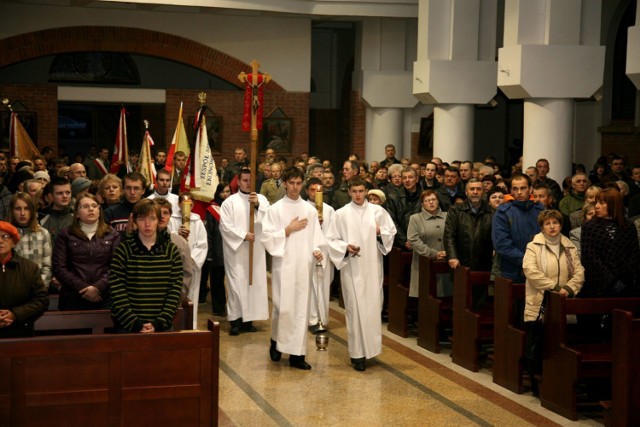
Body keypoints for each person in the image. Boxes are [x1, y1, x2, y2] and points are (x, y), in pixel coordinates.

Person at [326, 178, 396, 371]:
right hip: (352, 268)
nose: (358, 194)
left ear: (366, 191)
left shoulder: (378, 212)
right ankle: (357, 354)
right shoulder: (341, 214)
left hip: (372, 267)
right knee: (354, 310)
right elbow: (331, 239)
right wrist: (345, 247)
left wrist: (380, 230)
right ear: (349, 192)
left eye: (361, 190)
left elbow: (391, 233)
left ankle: (371, 350)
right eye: (354, 191)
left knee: (372, 308)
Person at [261, 168, 327, 370]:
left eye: (299, 183)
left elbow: (317, 237)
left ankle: (297, 355)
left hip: (303, 265)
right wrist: (287, 230)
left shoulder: (309, 210)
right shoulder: (275, 209)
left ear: (303, 185)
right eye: (292, 183)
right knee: (284, 308)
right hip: (284, 265)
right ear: (285, 183)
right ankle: (276, 342)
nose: (295, 187)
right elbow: (267, 237)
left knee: (300, 309)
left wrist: (317, 250)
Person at [522, 209, 584, 396]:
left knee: (562, 343)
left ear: (561, 225)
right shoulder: (534, 246)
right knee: (540, 343)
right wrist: (555, 288)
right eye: (547, 223)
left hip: (564, 301)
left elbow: (579, 272)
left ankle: (561, 380)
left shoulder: (569, 247)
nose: (552, 227)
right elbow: (530, 271)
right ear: (542, 227)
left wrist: (569, 289)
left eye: (555, 223)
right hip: (541, 301)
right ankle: (537, 381)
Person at [109, 199, 183, 333]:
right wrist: (134, 323)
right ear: (135, 221)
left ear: (159, 221)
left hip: (162, 326)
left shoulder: (171, 251)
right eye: (142, 219)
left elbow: (174, 290)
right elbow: (117, 290)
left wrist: (160, 322)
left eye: (152, 218)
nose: (147, 224)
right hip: (128, 327)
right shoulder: (124, 250)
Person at [220, 169, 270, 336]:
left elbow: (269, 220)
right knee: (236, 285)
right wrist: (242, 235)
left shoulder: (261, 199)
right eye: (245, 180)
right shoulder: (230, 202)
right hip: (237, 251)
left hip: (256, 251)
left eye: (251, 180)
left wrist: (257, 206)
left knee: (253, 284)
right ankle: (235, 321)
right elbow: (225, 226)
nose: (248, 183)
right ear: (239, 181)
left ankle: (248, 321)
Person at [53, 194, 120, 310]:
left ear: (99, 211)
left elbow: (117, 267)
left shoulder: (112, 234)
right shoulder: (66, 234)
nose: (91, 209)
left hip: (104, 297)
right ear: (77, 213)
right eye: (85, 206)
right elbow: (59, 267)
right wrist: (84, 288)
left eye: (94, 206)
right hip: (73, 297)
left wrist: (97, 288)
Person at [580, 187, 640, 297]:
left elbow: (634, 255)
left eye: (601, 203)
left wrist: (623, 280)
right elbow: (590, 258)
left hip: (625, 285)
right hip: (598, 285)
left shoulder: (628, 227)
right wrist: (611, 280)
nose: (596, 206)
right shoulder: (589, 227)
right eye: (596, 202)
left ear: (613, 204)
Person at [0, 221, 48, 338]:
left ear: (13, 241)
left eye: (5, 237)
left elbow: (41, 300)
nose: (0, 241)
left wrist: (14, 314)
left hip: (21, 331)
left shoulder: (30, 268)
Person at [492, 173, 543, 283]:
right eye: (515, 189)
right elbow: (502, 244)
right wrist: (527, 261)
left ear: (530, 189)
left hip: (539, 269)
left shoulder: (540, 211)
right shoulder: (503, 212)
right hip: (510, 271)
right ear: (511, 190)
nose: (519, 192)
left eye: (523, 188)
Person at [168, 193, 207, 328]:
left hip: (192, 265)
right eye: (184, 204)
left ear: (193, 205)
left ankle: (191, 325)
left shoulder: (197, 221)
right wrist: (176, 234)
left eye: (189, 205)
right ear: (178, 204)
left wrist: (190, 260)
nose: (187, 207)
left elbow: (202, 244)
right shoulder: (171, 219)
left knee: (192, 295)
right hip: (175, 265)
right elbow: (167, 237)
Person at [304, 177, 335, 332]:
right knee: (310, 287)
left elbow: (333, 233)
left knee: (322, 287)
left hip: (324, 253)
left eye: (319, 190)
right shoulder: (303, 208)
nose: (316, 193)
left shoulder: (329, 210)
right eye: (312, 190)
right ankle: (311, 319)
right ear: (307, 191)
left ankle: (322, 318)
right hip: (308, 252)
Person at [407, 190, 448, 298]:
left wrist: (447, 252)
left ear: (438, 201)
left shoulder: (448, 216)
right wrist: (434, 253)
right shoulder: (415, 218)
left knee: (447, 296)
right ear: (422, 204)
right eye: (427, 200)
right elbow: (413, 240)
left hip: (446, 261)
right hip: (424, 262)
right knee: (426, 296)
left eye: (433, 199)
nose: (431, 203)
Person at [10, 192, 52, 290]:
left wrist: (40, 288)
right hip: (11, 290)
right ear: (12, 211)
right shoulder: (5, 235)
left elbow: (47, 267)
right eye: (18, 209)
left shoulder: (43, 234)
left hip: (37, 290)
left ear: (32, 211)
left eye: (27, 208)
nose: (23, 213)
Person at [205, 183, 230, 316]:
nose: (225, 195)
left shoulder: (232, 207)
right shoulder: (212, 209)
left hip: (231, 249)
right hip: (217, 250)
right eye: (223, 192)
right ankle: (219, 308)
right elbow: (209, 233)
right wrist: (209, 253)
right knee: (217, 281)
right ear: (218, 193)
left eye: (228, 192)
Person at [386, 167, 422, 250]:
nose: (407, 180)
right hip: (400, 243)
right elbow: (392, 221)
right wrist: (405, 240)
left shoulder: (424, 196)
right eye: (404, 178)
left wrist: (415, 241)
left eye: (410, 177)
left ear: (417, 179)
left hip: (421, 242)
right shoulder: (393, 197)